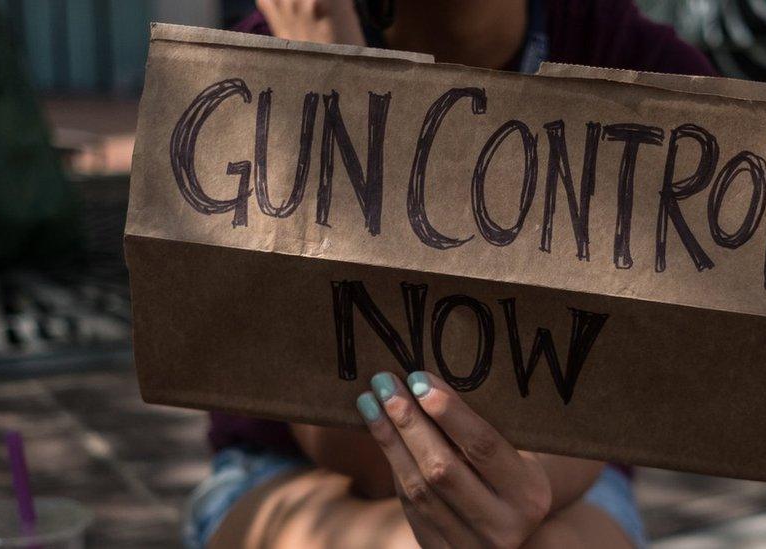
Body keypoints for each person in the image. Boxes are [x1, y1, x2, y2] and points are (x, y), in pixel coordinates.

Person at [185, 1, 717, 547]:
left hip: (571, 482)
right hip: (285, 470)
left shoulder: (643, 69)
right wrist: (333, 75)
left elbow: (611, 392)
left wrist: (530, 482)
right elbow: (354, 453)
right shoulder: (259, 56)